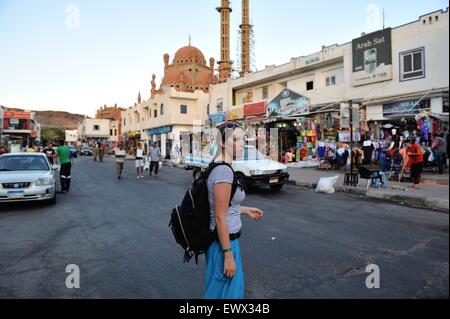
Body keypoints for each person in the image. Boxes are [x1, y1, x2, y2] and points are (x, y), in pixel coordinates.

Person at [204, 121, 264, 299]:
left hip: (222, 243)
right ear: (223, 143)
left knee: (221, 292)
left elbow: (221, 206)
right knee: (226, 296)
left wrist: (244, 210)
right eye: (236, 139)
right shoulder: (223, 171)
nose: (241, 144)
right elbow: (220, 217)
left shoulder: (221, 167)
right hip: (223, 244)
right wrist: (228, 255)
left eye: (243, 139)